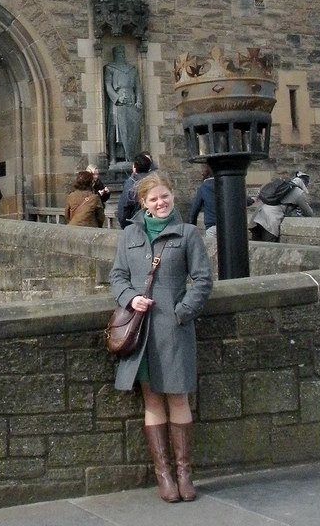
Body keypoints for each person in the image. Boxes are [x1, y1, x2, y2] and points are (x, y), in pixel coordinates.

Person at [110, 170, 213, 503]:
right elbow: (116, 276)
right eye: (153, 198)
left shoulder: (187, 234)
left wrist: (182, 312)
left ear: (172, 196)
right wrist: (129, 297)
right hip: (142, 332)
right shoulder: (128, 235)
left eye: (164, 196)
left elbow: (202, 280)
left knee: (178, 398)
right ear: (144, 203)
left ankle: (185, 473)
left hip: (174, 330)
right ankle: (164, 475)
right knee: (152, 399)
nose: (160, 202)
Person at [188, 165, 254, 237]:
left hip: (212, 226)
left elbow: (194, 209)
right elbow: (243, 200)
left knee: (211, 247)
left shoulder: (203, 187)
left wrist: (191, 228)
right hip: (231, 226)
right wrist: (253, 199)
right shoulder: (229, 183)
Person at [249, 169, 313, 241]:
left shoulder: (281, 186)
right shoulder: (297, 192)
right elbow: (309, 213)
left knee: (256, 248)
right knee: (270, 249)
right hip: (270, 222)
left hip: (257, 218)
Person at [104, 45, 142, 166]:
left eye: (122, 52)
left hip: (130, 102)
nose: (120, 54)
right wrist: (117, 98)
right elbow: (108, 85)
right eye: (118, 53)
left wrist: (139, 101)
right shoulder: (110, 68)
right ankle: (113, 158)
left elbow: (138, 87)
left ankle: (129, 157)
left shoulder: (132, 69)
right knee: (114, 128)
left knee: (131, 129)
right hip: (117, 103)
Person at [116, 152, 153, 228]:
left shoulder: (131, 185)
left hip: (136, 225)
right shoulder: (156, 182)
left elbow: (123, 210)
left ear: (134, 168)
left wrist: (126, 226)